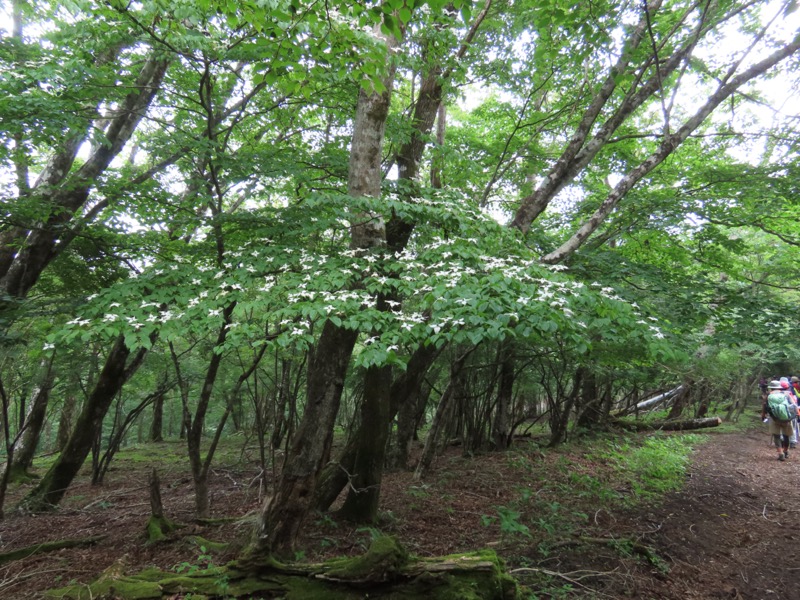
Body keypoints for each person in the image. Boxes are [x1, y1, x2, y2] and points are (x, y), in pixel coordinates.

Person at [763, 380, 799, 461]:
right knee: (786, 435)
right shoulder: (786, 394)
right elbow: (794, 405)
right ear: (780, 387)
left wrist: (763, 415)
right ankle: (786, 451)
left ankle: (780, 453)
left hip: (774, 418)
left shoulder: (768, 395)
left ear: (771, 388)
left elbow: (765, 407)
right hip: (786, 418)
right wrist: (796, 414)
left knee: (777, 435)